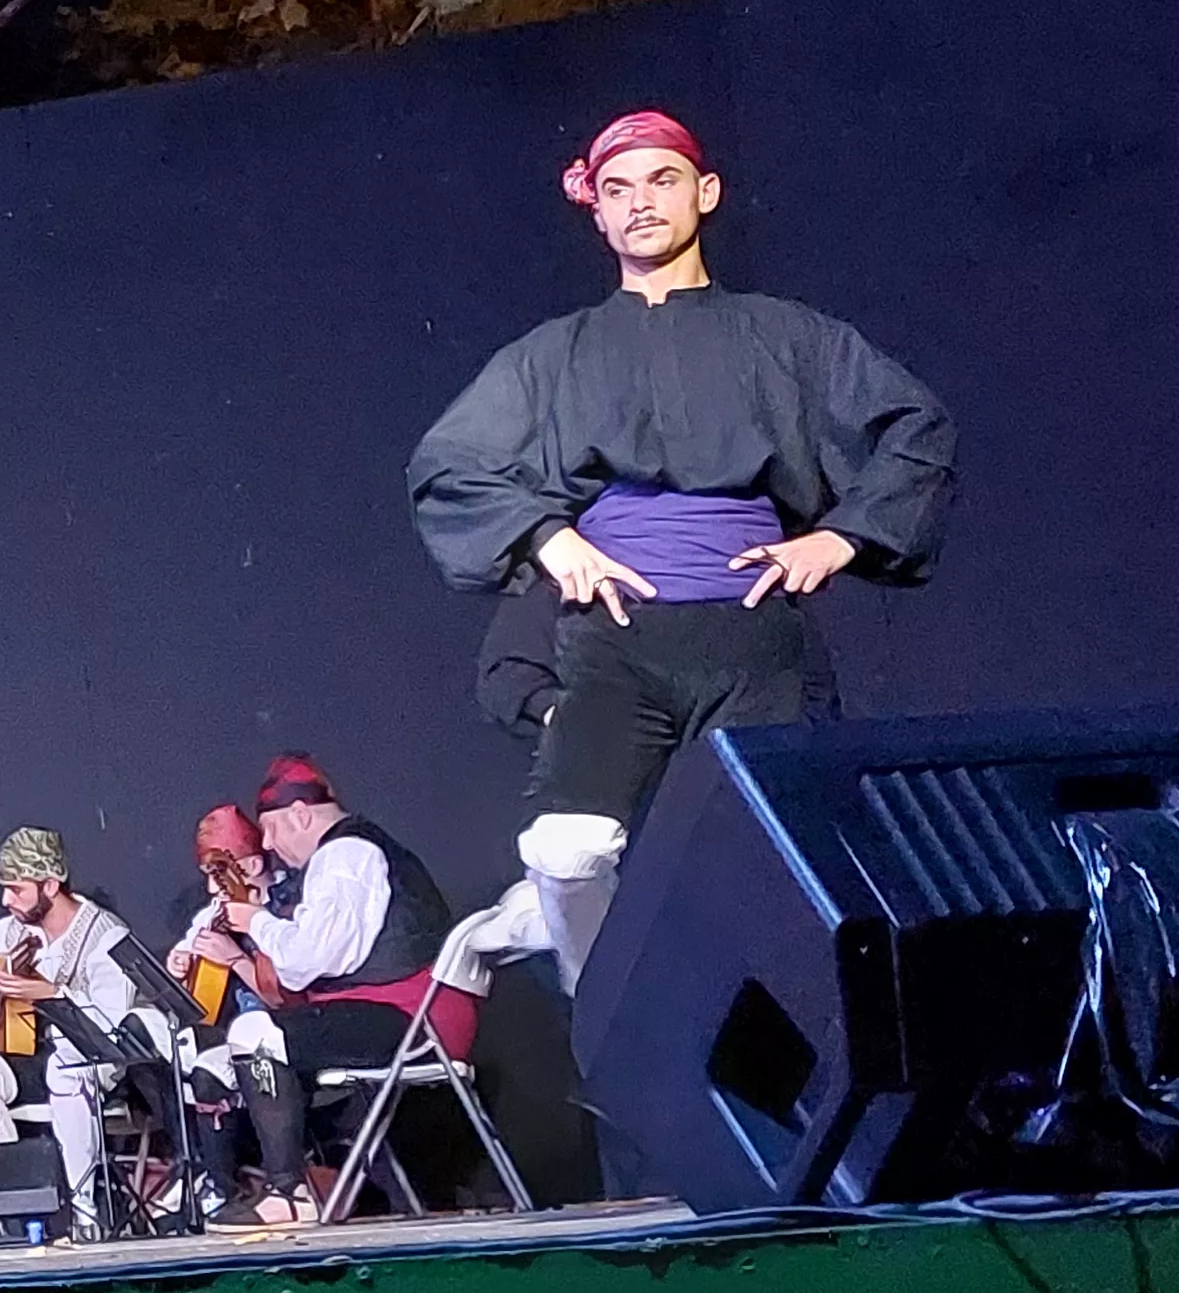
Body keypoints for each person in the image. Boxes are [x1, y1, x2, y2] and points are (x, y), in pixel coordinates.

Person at [409, 109, 955, 981]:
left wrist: (842, 539)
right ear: (596, 212)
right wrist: (551, 539)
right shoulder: (555, 355)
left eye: (661, 181)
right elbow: (448, 465)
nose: (639, 205)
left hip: (753, 635)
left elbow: (915, 427)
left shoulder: (785, 335)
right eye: (617, 190)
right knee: (564, 850)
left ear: (705, 192)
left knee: (785, 871)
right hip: (620, 636)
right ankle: (612, 1025)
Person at [175, 754, 465, 1220]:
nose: (267, 842)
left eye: (270, 830)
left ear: (301, 815)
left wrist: (258, 923)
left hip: (411, 1019)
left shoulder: (344, 854)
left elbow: (305, 962)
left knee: (255, 1033)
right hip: (401, 1015)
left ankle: (288, 1195)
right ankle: (249, 1185)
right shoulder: (349, 852)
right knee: (231, 1052)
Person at [0, 827, 132, 1239]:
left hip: (90, 1060)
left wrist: (50, 992)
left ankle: (83, 1211)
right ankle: (21, 1198)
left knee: (65, 1066)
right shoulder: (5, 932)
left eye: (16, 890)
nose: (6, 901)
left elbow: (113, 1023)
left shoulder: (104, 935)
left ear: (50, 884)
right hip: (23, 1060)